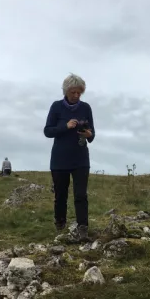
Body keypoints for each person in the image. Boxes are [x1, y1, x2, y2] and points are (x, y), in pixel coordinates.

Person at [43, 73, 95, 241]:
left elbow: (92, 135)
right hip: (59, 160)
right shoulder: (56, 107)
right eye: (73, 92)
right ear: (66, 91)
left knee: (81, 195)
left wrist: (88, 134)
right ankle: (60, 225)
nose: (76, 95)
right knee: (61, 195)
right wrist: (65, 126)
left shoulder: (86, 108)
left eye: (79, 92)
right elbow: (48, 131)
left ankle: (83, 229)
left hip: (80, 159)